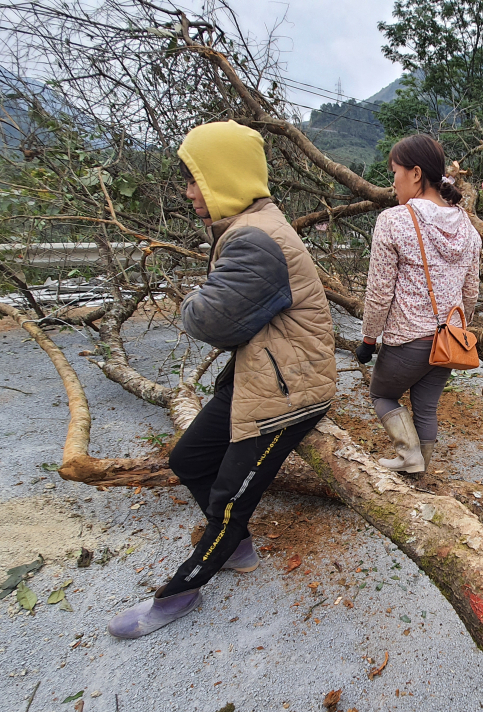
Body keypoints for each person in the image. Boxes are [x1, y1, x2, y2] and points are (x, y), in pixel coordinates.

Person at [108, 120, 337, 639]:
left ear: (225, 177)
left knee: (229, 500)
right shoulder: (251, 225)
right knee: (187, 459)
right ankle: (237, 546)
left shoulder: (255, 239)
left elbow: (208, 320)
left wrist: (193, 297)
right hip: (267, 374)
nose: (189, 192)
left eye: (196, 179)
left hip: (291, 392)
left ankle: (177, 594)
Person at [354, 133, 481, 473]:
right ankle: (419, 476)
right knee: (426, 409)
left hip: (408, 339)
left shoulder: (394, 220)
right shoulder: (467, 226)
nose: (392, 181)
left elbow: (379, 292)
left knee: (381, 396)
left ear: (414, 173)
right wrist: (455, 329)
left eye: (394, 171)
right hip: (448, 343)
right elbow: (471, 292)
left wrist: (368, 339)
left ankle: (409, 456)